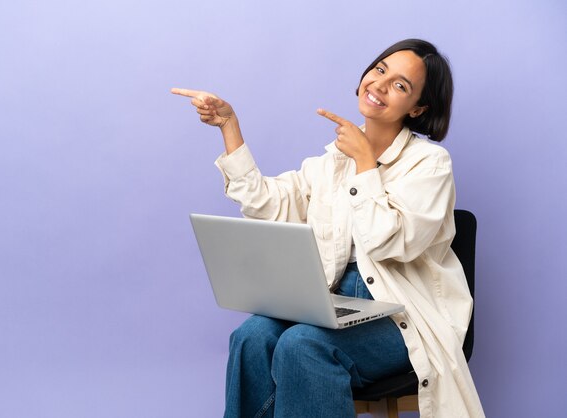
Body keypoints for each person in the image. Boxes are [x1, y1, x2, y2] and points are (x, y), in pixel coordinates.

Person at [172, 39, 485, 418]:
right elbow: (269, 204)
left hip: (404, 318)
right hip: (334, 305)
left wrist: (366, 163)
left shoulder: (430, 164)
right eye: (381, 70)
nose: (381, 85)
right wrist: (229, 127)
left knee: (303, 345)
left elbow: (389, 244)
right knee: (251, 337)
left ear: (418, 108)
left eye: (401, 85)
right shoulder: (331, 161)